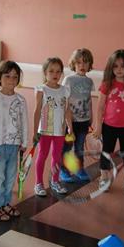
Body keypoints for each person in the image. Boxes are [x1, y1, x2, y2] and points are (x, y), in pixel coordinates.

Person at [92, 49, 124, 194]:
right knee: (106, 153)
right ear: (111, 68)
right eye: (115, 66)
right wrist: (98, 127)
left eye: (122, 66)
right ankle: (104, 178)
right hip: (109, 126)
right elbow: (100, 107)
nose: (119, 70)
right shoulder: (107, 84)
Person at [0, 60, 29, 220]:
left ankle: (6, 203)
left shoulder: (21, 100)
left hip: (14, 145)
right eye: (7, 76)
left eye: (15, 77)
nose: (11, 80)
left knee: (10, 177)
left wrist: (24, 142)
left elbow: (24, 122)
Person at [33, 57, 72, 197]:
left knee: (56, 157)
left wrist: (70, 126)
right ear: (45, 72)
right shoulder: (41, 90)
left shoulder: (65, 90)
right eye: (51, 71)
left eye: (58, 71)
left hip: (60, 131)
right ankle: (38, 183)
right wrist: (34, 132)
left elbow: (67, 110)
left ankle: (55, 181)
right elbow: (37, 111)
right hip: (44, 130)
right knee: (42, 155)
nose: (55, 74)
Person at [59, 48, 95, 183]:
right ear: (74, 64)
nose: (82, 66)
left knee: (79, 147)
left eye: (85, 63)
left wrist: (90, 116)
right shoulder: (69, 80)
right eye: (79, 63)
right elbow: (65, 102)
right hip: (70, 122)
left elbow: (89, 99)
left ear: (89, 65)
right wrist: (67, 123)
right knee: (67, 147)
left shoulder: (89, 82)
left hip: (84, 121)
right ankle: (64, 169)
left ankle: (80, 168)